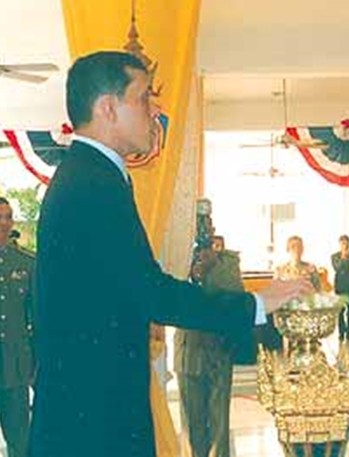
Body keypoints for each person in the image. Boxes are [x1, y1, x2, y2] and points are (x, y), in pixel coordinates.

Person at [28, 51, 311, 457]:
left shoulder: (89, 174)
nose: (155, 110)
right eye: (143, 98)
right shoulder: (92, 185)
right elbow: (150, 293)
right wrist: (255, 304)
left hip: (88, 412)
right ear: (108, 108)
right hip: (92, 423)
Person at [175, 243, 245, 457]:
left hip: (218, 351)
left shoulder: (227, 261)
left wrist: (210, 267)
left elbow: (234, 292)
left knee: (218, 425)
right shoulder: (178, 255)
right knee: (192, 425)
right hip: (188, 352)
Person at [0, 198, 34, 457]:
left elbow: (38, 320)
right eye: (0, 216)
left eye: (9, 216)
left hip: (15, 371)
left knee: (21, 445)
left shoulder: (27, 263)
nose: (4, 222)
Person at [331, 235, 349, 341]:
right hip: (340, 287)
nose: (344, 245)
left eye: (346, 243)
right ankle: (341, 332)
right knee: (340, 311)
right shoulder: (335, 257)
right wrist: (343, 258)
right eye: (342, 243)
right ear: (340, 244)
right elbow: (337, 268)